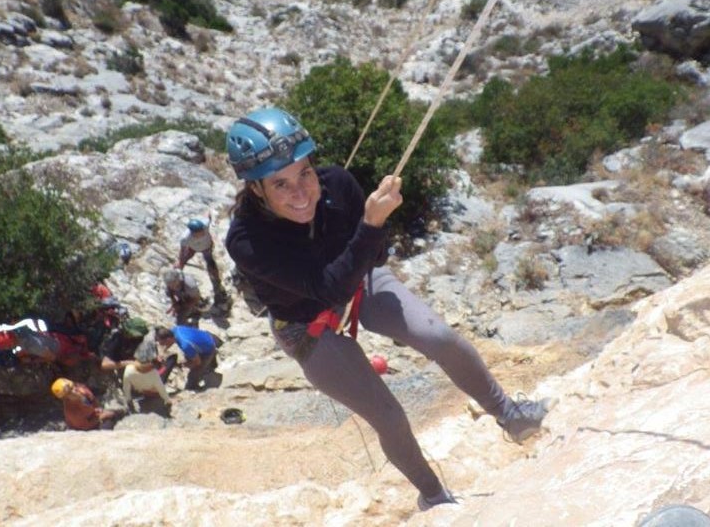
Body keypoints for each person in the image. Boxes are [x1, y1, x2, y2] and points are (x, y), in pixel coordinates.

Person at [224, 107, 555, 510]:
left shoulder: (337, 185)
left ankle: (511, 414)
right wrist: (369, 226)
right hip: (305, 323)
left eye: (304, 173)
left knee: (436, 335)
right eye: (281, 184)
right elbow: (325, 289)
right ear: (256, 189)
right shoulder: (247, 240)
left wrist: (372, 225)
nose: (301, 193)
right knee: (388, 414)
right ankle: (433, 497)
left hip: (358, 283)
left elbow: (375, 255)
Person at [177, 217, 229, 306]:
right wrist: (181, 262)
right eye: (200, 232)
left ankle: (216, 282)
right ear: (193, 233)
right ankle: (178, 280)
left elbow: (208, 216)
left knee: (210, 263)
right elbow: (182, 251)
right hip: (193, 248)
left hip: (206, 248)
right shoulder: (185, 238)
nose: (203, 232)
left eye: (202, 230)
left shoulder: (205, 224)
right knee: (181, 263)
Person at [154, 325, 217, 391]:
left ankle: (192, 388)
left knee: (194, 372)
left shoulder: (185, 345)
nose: (162, 345)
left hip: (209, 348)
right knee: (189, 355)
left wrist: (183, 365)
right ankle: (210, 365)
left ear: (168, 339)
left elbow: (197, 362)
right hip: (205, 336)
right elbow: (169, 343)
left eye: (163, 343)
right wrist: (163, 354)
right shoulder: (175, 330)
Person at [122, 330, 172, 412]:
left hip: (138, 389)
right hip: (152, 391)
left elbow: (126, 387)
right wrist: (168, 401)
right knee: (171, 360)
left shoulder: (128, 369)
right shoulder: (153, 374)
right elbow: (162, 390)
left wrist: (128, 400)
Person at [50, 377, 122, 431]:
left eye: (72, 387)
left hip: (94, 414)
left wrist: (99, 410)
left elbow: (93, 401)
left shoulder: (82, 389)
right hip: (85, 428)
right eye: (69, 392)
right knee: (106, 426)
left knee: (115, 413)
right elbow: (85, 426)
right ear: (65, 398)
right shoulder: (71, 411)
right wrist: (102, 417)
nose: (74, 391)